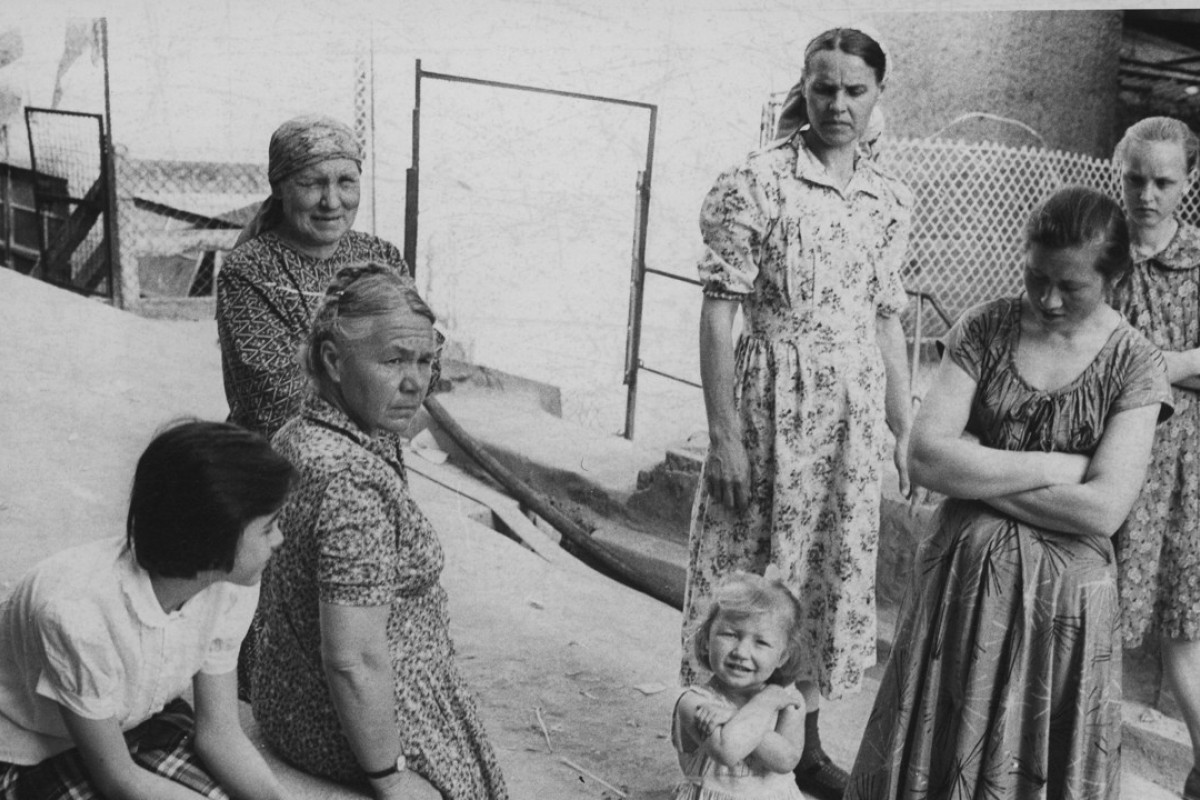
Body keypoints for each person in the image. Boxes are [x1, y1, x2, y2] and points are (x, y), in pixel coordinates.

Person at [846, 186, 1173, 800]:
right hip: (962, 592)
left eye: (1070, 287)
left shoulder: (1136, 364)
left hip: (1065, 617)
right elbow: (926, 455)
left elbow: (1103, 509)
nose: (1048, 299)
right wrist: (1056, 465)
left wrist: (975, 476)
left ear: (1114, 278)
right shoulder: (986, 327)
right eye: (1036, 277)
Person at [680, 27, 912, 799]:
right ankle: (712, 742)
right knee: (747, 575)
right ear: (804, 89)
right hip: (769, 406)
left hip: (847, 422)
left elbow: (886, 319)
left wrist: (901, 424)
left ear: (878, 94)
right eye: (824, 88)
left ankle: (799, 745)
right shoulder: (757, 181)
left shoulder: (889, 198)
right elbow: (720, 313)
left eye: (854, 90)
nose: (838, 104)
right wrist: (725, 436)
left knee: (821, 579)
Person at [251, 264, 507, 800]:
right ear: (333, 361)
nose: (415, 383)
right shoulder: (353, 484)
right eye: (393, 360)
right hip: (350, 720)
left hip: (289, 698)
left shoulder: (303, 431)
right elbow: (352, 657)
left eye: (424, 361)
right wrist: (390, 776)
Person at [0, 421, 295, 800]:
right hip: (33, 748)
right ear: (214, 539)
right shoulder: (75, 614)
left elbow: (219, 734)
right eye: (269, 527)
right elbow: (119, 780)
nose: (280, 539)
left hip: (133, 723)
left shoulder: (230, 582)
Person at [217, 113, 414, 441]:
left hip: (375, 461)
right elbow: (278, 401)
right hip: (281, 465)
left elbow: (425, 367)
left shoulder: (383, 258)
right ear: (278, 187)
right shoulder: (250, 271)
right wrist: (381, 372)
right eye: (312, 183)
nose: (332, 201)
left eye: (346, 182)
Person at [1109, 116, 1200, 800]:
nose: (1147, 194)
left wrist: (1151, 361)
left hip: (1188, 468)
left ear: (1187, 182)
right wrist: (1178, 365)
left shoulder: (1199, 260)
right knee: (1100, 612)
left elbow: (1124, 358)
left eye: (1164, 181)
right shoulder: (1098, 250)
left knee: (1182, 623)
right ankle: (1085, 761)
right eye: (1135, 178)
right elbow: (1084, 352)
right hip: (1111, 453)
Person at [673, 571, 808, 800]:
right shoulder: (695, 703)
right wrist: (767, 700)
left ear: (783, 656)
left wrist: (733, 714)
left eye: (762, 642)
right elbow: (728, 750)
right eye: (731, 635)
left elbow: (786, 761)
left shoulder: (787, 699)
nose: (741, 652)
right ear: (706, 640)